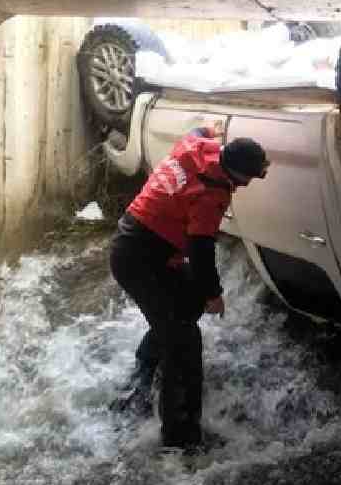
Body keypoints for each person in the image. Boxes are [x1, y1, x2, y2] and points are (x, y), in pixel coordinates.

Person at [109, 122, 269, 451]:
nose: (245, 186)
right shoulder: (211, 194)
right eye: (247, 180)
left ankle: (145, 372)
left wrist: (210, 129)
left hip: (140, 245)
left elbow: (199, 130)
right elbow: (200, 251)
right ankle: (179, 437)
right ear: (236, 174)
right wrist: (214, 295)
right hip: (138, 260)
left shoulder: (196, 146)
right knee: (184, 339)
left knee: (186, 305)